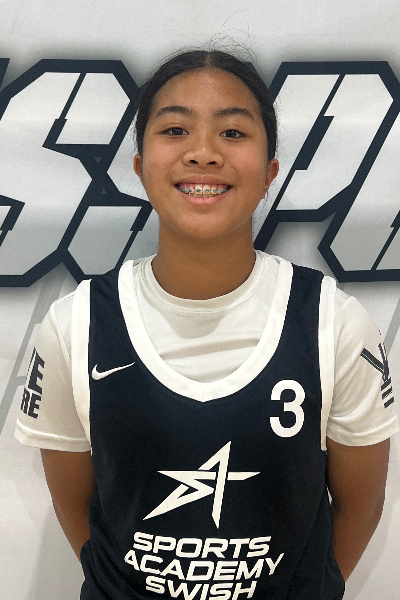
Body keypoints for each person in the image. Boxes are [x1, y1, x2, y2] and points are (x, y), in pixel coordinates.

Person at [15, 49, 399, 600]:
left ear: (269, 174)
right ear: (140, 167)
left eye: (233, 133)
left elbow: (361, 506)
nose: (203, 153)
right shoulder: (75, 325)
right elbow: (78, 509)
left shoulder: (334, 323)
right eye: (175, 129)